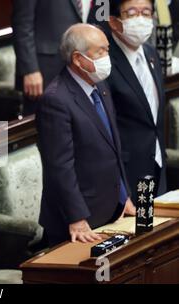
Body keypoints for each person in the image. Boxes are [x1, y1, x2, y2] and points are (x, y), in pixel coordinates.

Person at [37, 24, 135, 247]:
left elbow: (113, 148)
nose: (107, 57)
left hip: (111, 209)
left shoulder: (100, 86)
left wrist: (124, 196)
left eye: (107, 50)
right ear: (78, 59)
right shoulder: (56, 100)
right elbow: (60, 167)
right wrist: (76, 218)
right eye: (100, 51)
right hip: (78, 222)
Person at [106, 0, 167, 196]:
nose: (141, 19)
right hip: (125, 173)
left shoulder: (151, 53)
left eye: (146, 12)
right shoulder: (104, 64)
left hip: (156, 162)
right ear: (114, 22)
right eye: (131, 13)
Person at [12, 0, 99, 102]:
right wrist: (30, 70)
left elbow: (103, 15)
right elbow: (22, 25)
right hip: (47, 71)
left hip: (89, 65)